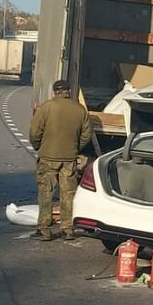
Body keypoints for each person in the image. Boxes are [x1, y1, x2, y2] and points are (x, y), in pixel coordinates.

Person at [28, 80, 92, 241]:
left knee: (46, 193)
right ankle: (67, 229)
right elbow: (86, 134)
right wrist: (75, 148)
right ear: (68, 91)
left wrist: (39, 147)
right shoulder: (80, 110)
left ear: (54, 91)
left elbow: (35, 132)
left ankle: (44, 229)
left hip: (48, 157)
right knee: (68, 194)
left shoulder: (45, 108)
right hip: (69, 158)